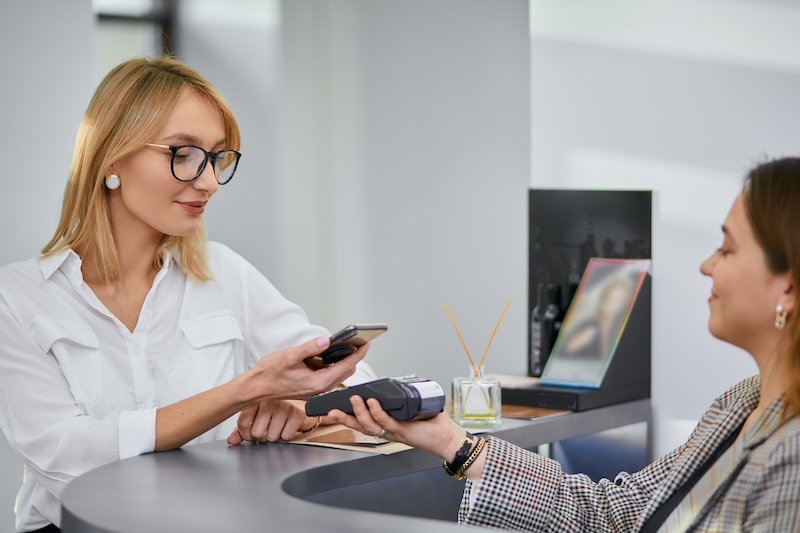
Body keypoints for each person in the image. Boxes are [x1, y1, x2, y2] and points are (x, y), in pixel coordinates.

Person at [0, 56, 375, 533]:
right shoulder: (16, 297)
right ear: (111, 157)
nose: (209, 181)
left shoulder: (224, 273)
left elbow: (359, 381)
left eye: (217, 157)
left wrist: (299, 410)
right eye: (183, 154)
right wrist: (246, 391)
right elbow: (66, 457)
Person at [329, 157, 800, 532]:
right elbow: (616, 514)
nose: (706, 265)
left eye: (728, 249)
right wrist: (453, 441)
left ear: (788, 288)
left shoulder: (792, 459)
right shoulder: (741, 404)